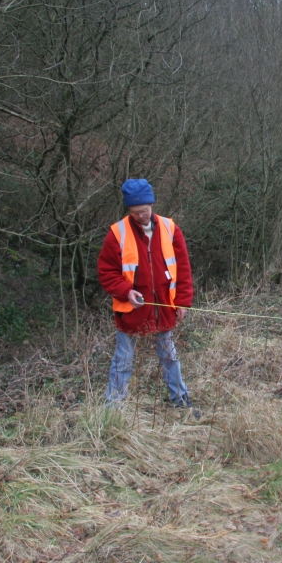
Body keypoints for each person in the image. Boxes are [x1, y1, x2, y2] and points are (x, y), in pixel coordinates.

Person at [98, 178, 199, 418]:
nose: (141, 216)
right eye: (135, 212)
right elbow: (106, 272)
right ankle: (113, 410)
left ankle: (181, 401)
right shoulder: (117, 233)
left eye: (144, 210)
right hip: (130, 311)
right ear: (129, 210)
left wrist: (182, 302)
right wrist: (126, 291)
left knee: (170, 357)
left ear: (152, 205)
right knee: (122, 361)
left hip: (164, 307)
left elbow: (183, 268)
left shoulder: (170, 228)